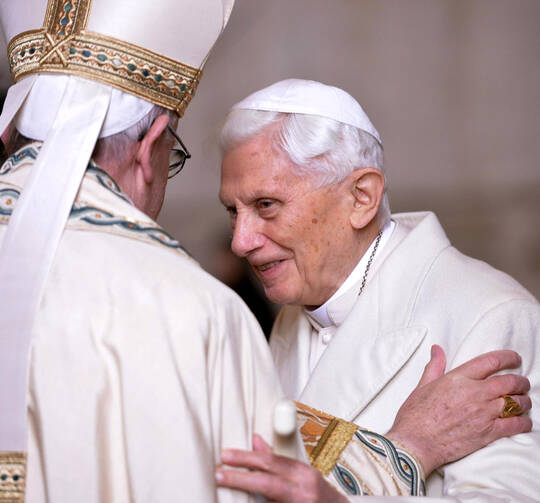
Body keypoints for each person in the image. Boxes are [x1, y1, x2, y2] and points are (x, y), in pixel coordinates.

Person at [216, 79, 540, 501]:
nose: (241, 241)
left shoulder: (490, 313)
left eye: (266, 206)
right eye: (232, 210)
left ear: (362, 197)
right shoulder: (296, 313)